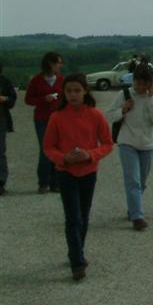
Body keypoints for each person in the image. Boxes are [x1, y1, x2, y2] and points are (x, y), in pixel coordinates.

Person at [43, 73, 113, 281]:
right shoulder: (57, 117)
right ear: (64, 93)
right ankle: (77, 263)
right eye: (69, 91)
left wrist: (90, 154)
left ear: (85, 91)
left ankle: (76, 251)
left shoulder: (95, 115)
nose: (73, 95)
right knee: (73, 217)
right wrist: (63, 158)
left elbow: (107, 143)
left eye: (77, 90)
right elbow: (48, 147)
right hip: (66, 173)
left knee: (83, 215)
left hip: (88, 172)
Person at [107, 65, 153, 232]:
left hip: (148, 144)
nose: (140, 87)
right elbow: (110, 115)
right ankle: (137, 217)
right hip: (127, 142)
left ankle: (133, 207)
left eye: (144, 84)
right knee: (133, 180)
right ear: (133, 81)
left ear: (150, 83)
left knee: (141, 181)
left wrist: (151, 99)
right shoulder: (124, 94)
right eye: (137, 83)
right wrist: (123, 109)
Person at [25, 52, 64, 193]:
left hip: (58, 119)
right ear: (50, 63)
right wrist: (43, 99)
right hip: (42, 119)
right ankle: (43, 183)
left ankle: (56, 183)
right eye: (58, 62)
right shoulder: (37, 80)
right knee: (45, 149)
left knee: (58, 149)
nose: (60, 65)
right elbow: (28, 99)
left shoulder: (61, 80)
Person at [0, 61, 18, 196]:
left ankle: (0, 182)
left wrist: (5, 99)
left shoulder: (5, 82)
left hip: (1, 121)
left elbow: (12, 101)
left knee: (0, 153)